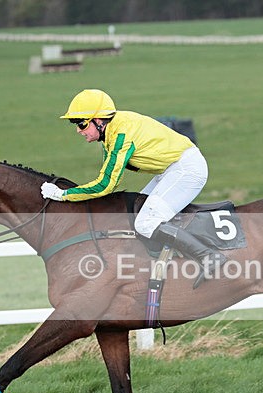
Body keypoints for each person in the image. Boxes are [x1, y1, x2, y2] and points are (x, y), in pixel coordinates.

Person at [41, 89, 226, 288]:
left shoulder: (121, 133)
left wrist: (64, 195)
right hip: (171, 169)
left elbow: (105, 185)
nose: (78, 130)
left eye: (81, 123)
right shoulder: (111, 133)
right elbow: (108, 181)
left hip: (186, 169)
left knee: (146, 222)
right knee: (134, 216)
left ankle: (209, 256)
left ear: (99, 121)